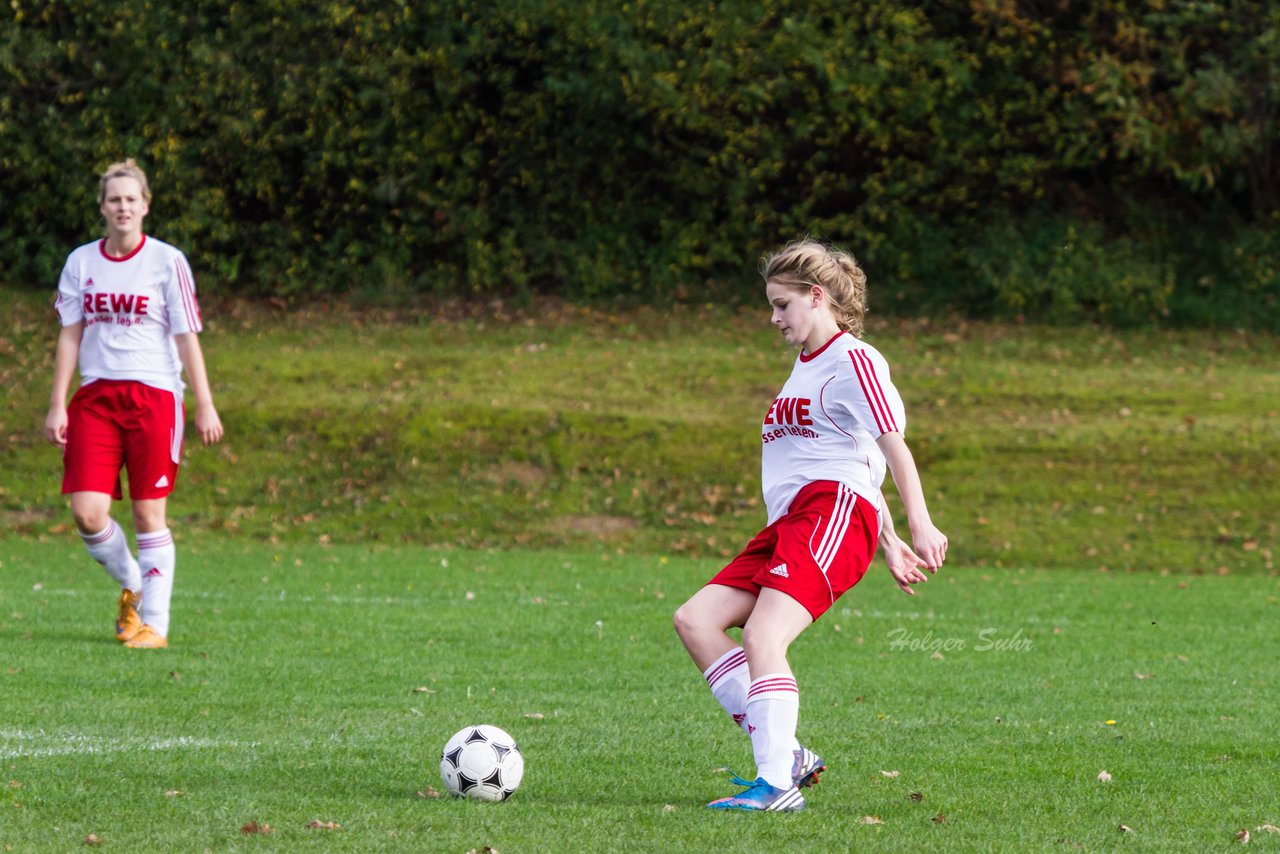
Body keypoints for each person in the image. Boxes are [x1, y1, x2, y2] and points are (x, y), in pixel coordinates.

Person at [673, 238, 948, 811]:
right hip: (793, 523)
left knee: (762, 638)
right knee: (696, 620)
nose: (773, 318)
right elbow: (855, 458)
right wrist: (889, 542)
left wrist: (917, 524)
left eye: (781, 305)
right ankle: (788, 755)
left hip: (830, 514)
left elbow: (892, 448)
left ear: (816, 296)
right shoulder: (805, 370)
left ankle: (777, 785)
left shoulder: (856, 359)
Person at [44, 159, 224, 650]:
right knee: (86, 512)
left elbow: (187, 338)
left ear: (145, 205)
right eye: (114, 199)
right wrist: (58, 402)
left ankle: (156, 626)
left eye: (131, 199)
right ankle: (136, 583)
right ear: (102, 206)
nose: (122, 207)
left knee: (149, 515)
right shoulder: (81, 262)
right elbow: (69, 336)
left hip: (155, 398)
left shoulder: (167, 261)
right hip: (97, 397)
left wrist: (204, 402)